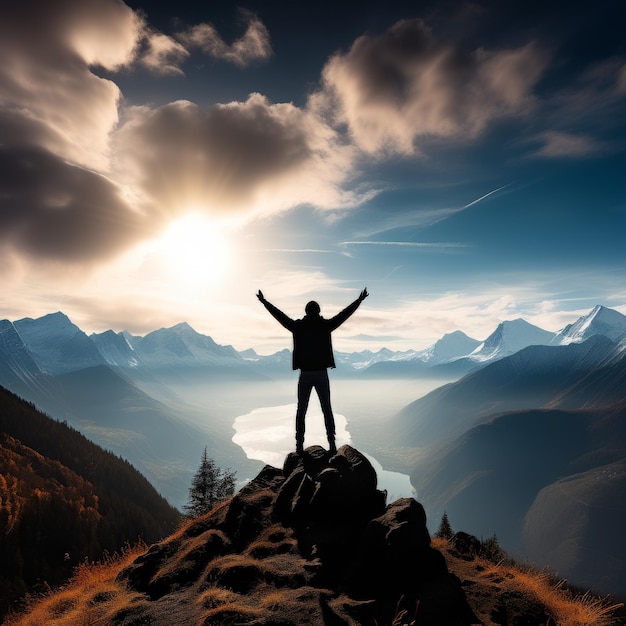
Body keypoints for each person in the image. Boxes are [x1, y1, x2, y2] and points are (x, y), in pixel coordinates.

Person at [256, 288, 368, 454]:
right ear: (318, 311)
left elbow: (280, 316)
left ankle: (299, 446)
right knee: (327, 409)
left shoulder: (298, 327)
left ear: (306, 311)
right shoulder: (325, 326)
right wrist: (359, 301)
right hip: (322, 374)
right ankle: (332, 444)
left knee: (301, 410)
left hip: (305, 374)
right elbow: (344, 314)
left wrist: (265, 302)